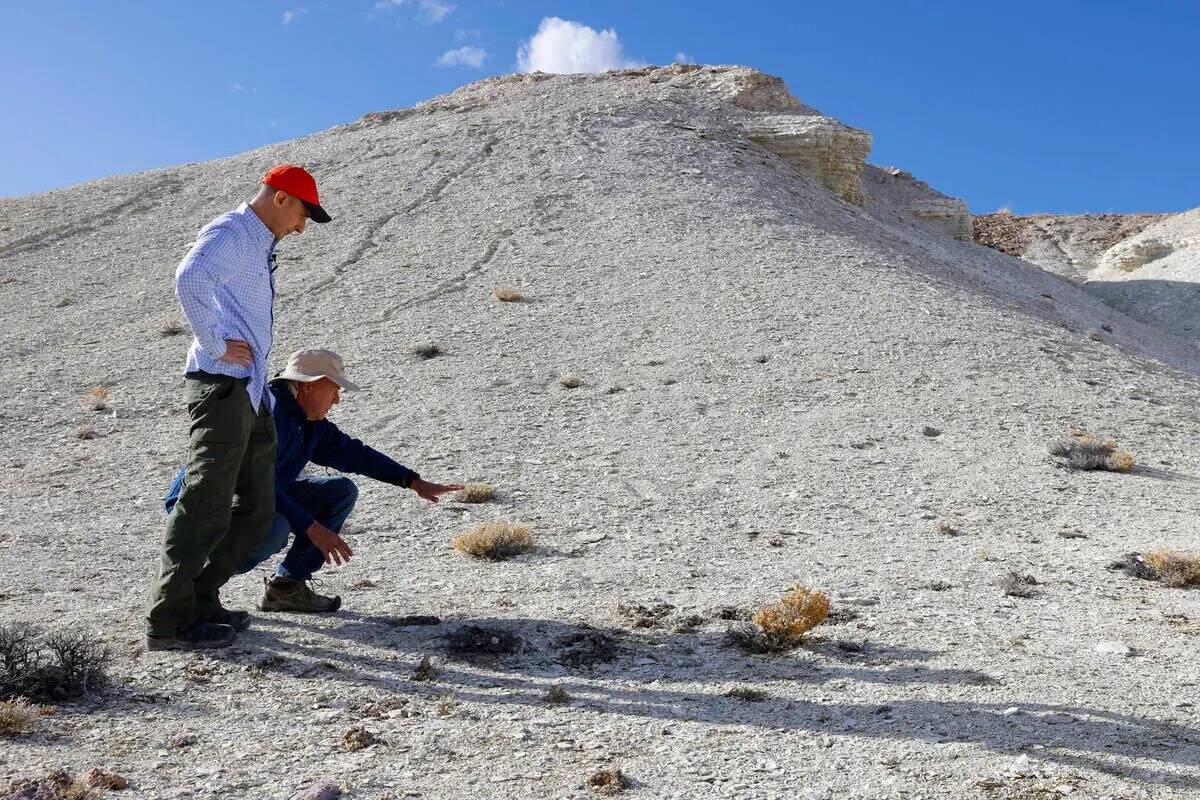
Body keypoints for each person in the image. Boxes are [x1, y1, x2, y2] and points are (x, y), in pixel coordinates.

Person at [145, 165, 333, 651]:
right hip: (222, 386)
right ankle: (169, 621)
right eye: (302, 214)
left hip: (250, 392)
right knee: (206, 500)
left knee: (257, 509)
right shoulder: (232, 231)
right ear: (280, 199)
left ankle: (202, 598)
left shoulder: (258, 244)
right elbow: (189, 277)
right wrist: (214, 342)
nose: (301, 227)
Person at [164, 347, 463, 613]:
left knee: (339, 492)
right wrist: (313, 528)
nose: (337, 400)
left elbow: (355, 455)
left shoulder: (308, 423)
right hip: (205, 500)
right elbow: (255, 483)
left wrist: (412, 481)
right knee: (275, 528)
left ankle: (286, 589)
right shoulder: (269, 413)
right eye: (333, 389)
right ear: (306, 386)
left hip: (256, 495)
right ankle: (195, 588)